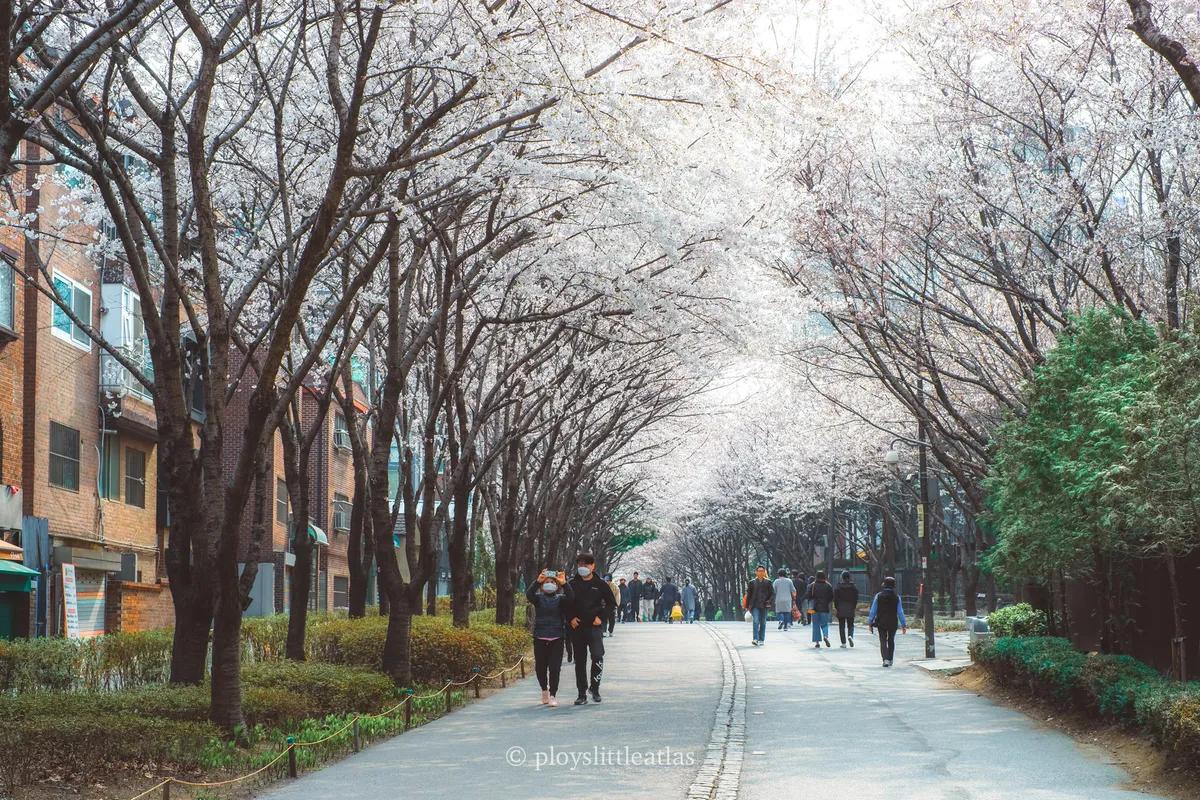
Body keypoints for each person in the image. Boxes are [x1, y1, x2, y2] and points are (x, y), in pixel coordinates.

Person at [565, 553, 614, 704]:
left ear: (593, 566)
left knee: (598, 656)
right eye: (580, 565)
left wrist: (602, 618)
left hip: (594, 627)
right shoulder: (571, 584)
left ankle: (595, 688)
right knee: (580, 661)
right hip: (577, 627)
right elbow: (565, 604)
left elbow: (611, 604)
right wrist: (570, 618)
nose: (583, 567)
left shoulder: (600, 584)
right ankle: (581, 694)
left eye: (586, 565)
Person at [526, 569, 573, 707]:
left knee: (555, 668)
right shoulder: (538, 599)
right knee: (540, 668)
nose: (549, 584)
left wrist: (565, 584)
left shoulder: (561, 599)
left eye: (552, 582)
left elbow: (571, 597)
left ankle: (553, 695)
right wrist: (537, 581)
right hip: (540, 637)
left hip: (557, 637)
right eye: (547, 582)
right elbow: (529, 594)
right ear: (542, 585)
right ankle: (544, 690)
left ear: (556, 585)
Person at [868, 576, 907, 667]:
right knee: (891, 640)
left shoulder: (878, 596)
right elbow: (900, 612)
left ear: (884, 585)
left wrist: (870, 622)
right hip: (893, 622)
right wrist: (903, 625)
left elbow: (873, 611)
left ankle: (885, 659)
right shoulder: (897, 597)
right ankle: (890, 659)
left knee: (882, 640)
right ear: (894, 586)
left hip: (881, 621)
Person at [743, 565, 775, 646]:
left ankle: (761, 639)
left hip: (764, 605)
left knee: (763, 622)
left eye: (762, 571)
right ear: (756, 572)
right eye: (759, 571)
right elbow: (748, 595)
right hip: (754, 605)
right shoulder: (752, 582)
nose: (760, 572)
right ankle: (755, 639)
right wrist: (747, 606)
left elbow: (772, 594)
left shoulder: (768, 582)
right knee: (756, 621)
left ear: (764, 572)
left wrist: (769, 601)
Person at [805, 570, 835, 648]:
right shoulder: (828, 586)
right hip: (825, 608)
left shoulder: (812, 585)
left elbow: (808, 596)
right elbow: (832, 597)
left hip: (814, 608)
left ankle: (817, 642)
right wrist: (826, 602)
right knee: (824, 624)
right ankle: (825, 636)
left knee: (815, 625)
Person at [833, 571, 860, 648]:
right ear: (849, 577)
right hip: (850, 607)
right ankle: (850, 636)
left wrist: (837, 607)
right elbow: (856, 598)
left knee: (841, 626)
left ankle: (843, 643)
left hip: (841, 608)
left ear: (842, 577)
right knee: (850, 624)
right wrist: (853, 606)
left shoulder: (838, 587)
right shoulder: (853, 587)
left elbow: (835, 599)